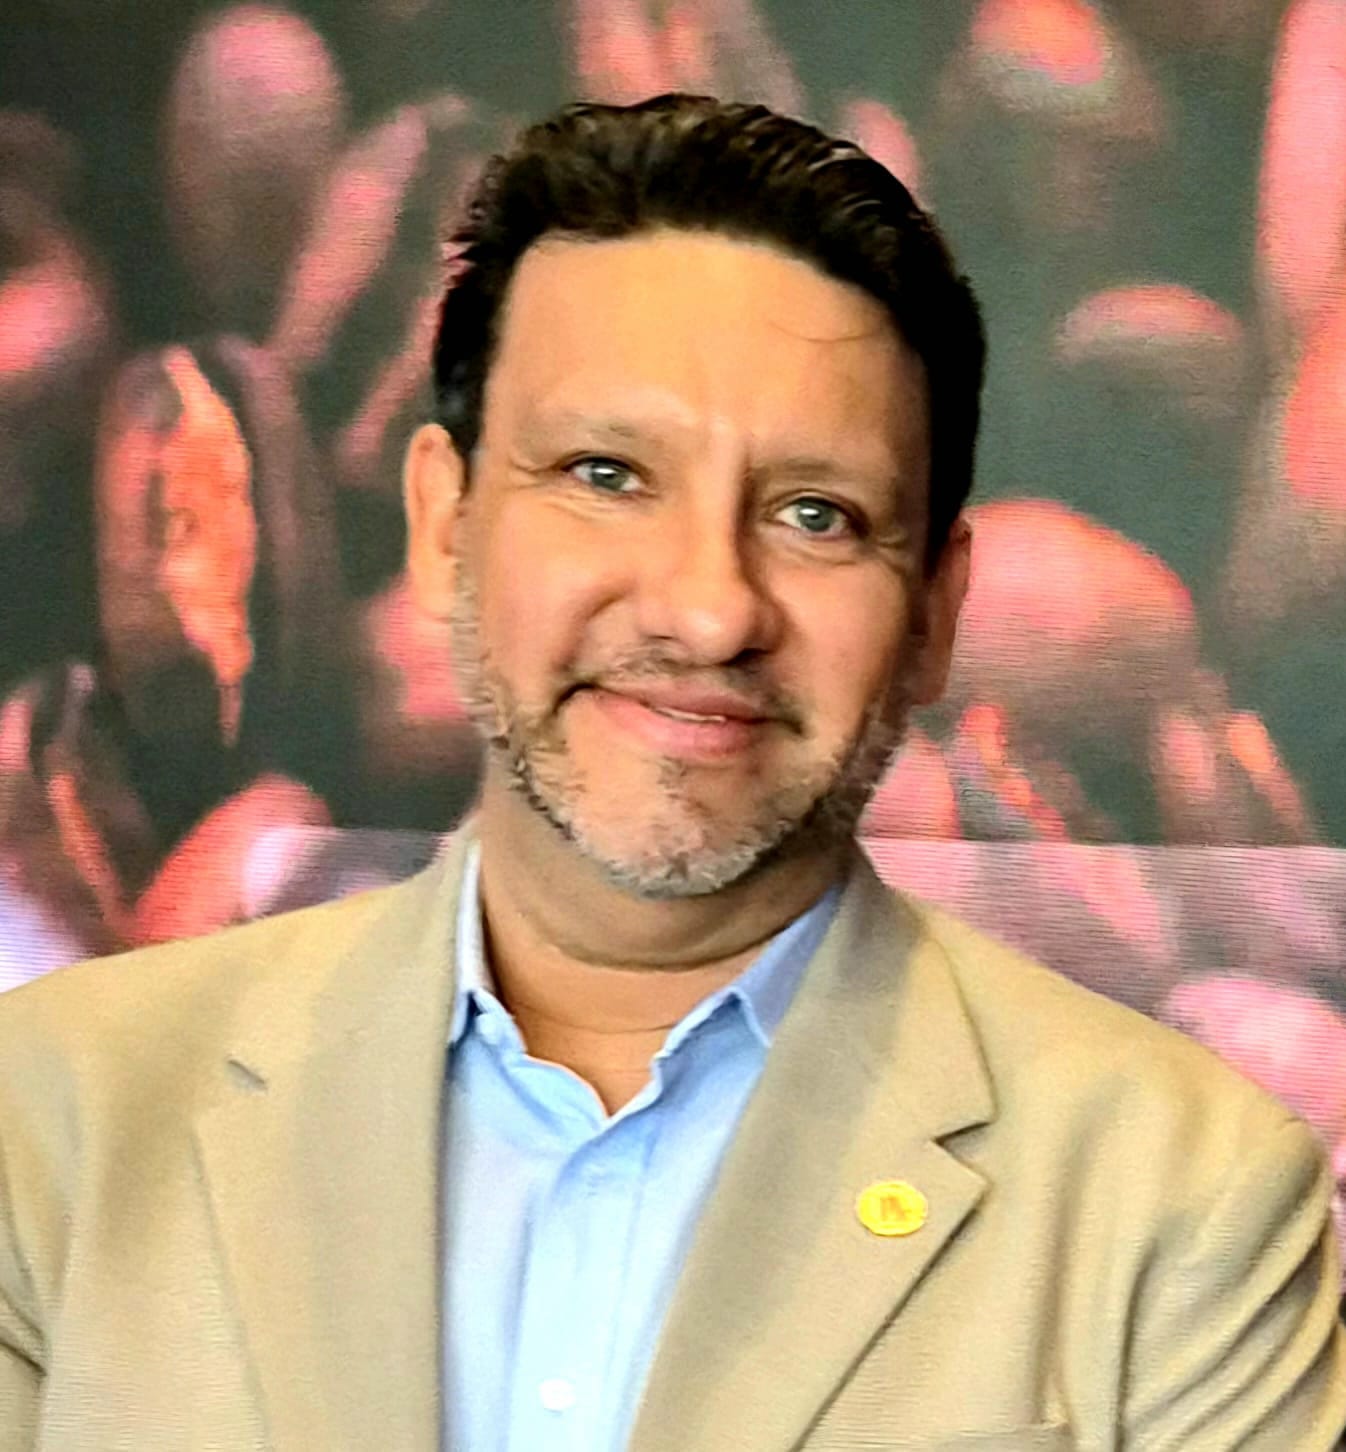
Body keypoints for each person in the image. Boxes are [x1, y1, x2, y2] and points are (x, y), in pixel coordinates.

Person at [0, 93, 1342, 1451]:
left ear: (935, 614)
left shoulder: (1197, 1186)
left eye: (815, 514)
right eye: (605, 477)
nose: (706, 611)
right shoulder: (56, 1119)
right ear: (443, 528)